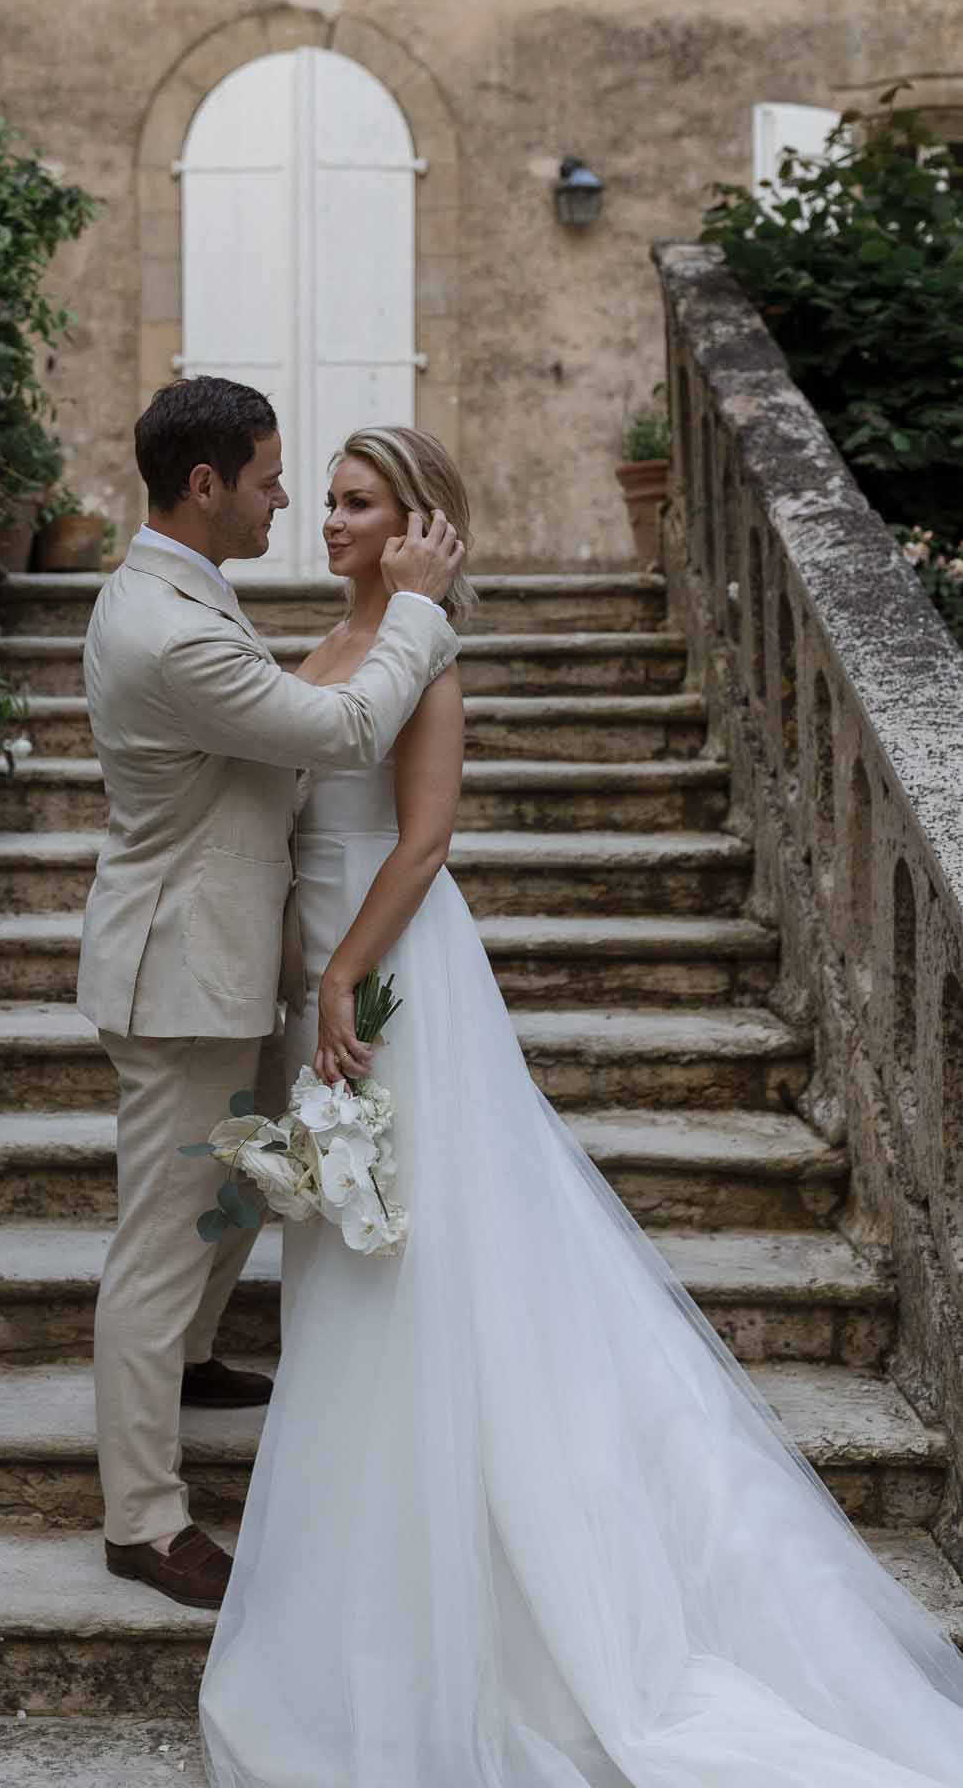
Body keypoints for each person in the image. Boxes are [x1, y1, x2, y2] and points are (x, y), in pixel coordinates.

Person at [199, 425, 963, 1786]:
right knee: (350, 1254)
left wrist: (342, 980)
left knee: (423, 1261)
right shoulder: (325, 646)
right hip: (315, 972)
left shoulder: (424, 655)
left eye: (358, 503)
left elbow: (425, 841)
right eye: (323, 499)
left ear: (420, 522)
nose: (328, 520)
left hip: (388, 978)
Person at [77, 379, 465, 1611]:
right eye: (271, 478)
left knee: (242, 1179)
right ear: (207, 486)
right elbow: (345, 730)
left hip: (230, 953)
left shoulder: (188, 589)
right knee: (163, 1233)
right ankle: (142, 1518)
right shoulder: (169, 625)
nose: (288, 501)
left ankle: (190, 1357)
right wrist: (417, 610)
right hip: (182, 968)